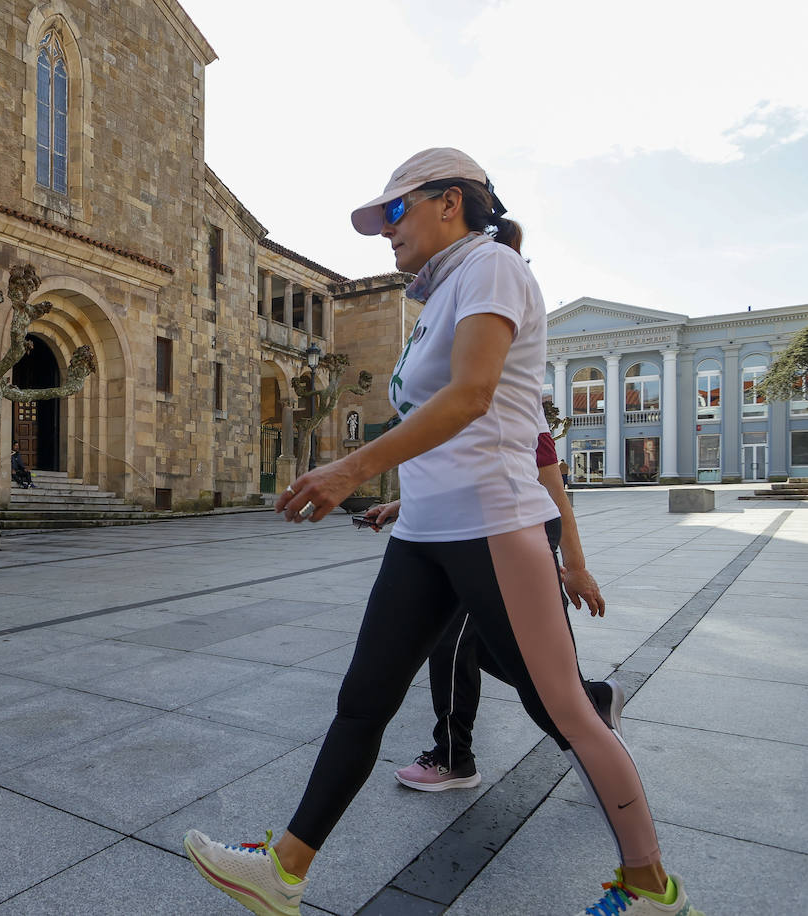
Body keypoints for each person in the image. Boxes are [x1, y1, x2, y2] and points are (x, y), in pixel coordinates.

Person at [183, 149, 701, 916]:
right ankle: (284, 869)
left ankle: (651, 886)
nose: (385, 233)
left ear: (449, 202)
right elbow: (453, 423)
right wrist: (404, 499)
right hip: (428, 529)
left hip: (493, 522)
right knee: (363, 700)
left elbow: (471, 398)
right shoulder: (444, 291)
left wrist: (350, 470)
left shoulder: (491, 268)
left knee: (564, 709)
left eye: (395, 212)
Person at [369, 428, 620, 792]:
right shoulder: (464, 407)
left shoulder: (518, 408)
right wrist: (402, 507)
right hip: (463, 552)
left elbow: (554, 494)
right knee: (490, 653)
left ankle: (454, 756)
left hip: (509, 556)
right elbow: (464, 484)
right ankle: (591, 699)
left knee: (450, 645)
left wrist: (576, 567)